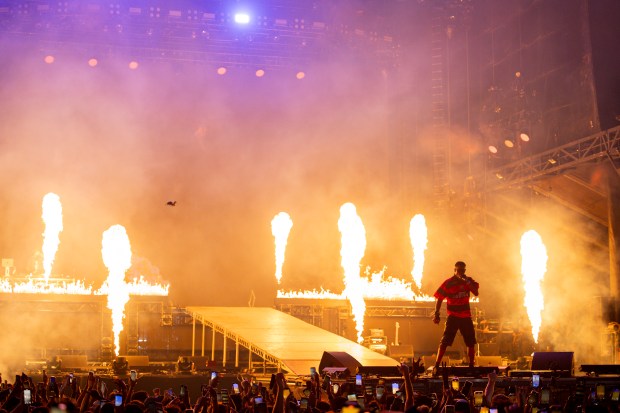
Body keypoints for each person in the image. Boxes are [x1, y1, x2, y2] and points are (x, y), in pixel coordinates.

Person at [432, 261, 479, 371]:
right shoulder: (448, 283)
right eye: (458, 270)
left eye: (463, 270)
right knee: (445, 341)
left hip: (466, 316)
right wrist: (436, 313)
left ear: (465, 271)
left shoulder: (469, 281)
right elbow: (439, 298)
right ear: (454, 270)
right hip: (453, 316)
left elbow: (476, 292)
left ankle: (471, 365)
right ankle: (437, 365)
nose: (461, 272)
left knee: (470, 342)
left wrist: (467, 281)